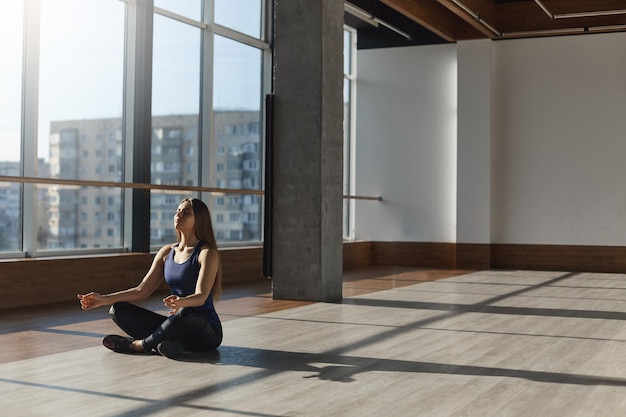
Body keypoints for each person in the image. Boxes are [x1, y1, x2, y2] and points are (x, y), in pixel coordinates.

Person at [77, 197, 223, 359]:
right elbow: (141, 291)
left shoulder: (206, 252)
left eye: (187, 212)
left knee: (185, 313)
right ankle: (171, 344)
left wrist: (182, 303)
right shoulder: (167, 252)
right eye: (178, 211)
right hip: (176, 325)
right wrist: (104, 299)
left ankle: (139, 345)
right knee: (118, 310)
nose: (179, 215)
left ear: (199, 220)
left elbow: (201, 297)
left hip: (206, 332)